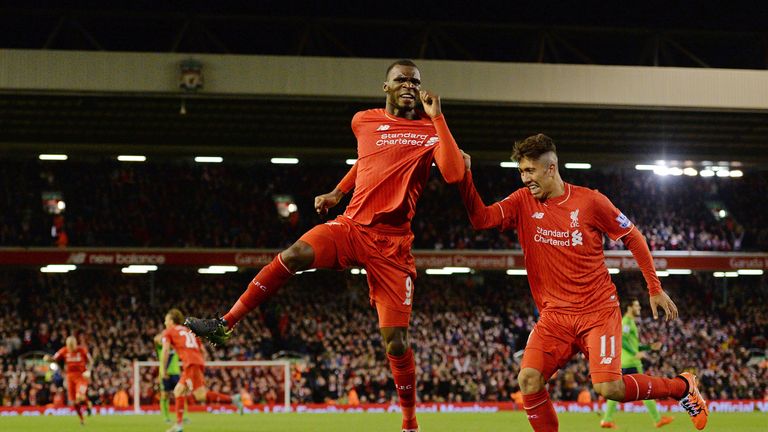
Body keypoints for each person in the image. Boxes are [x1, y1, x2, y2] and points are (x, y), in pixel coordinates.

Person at [186, 58, 466, 432]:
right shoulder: (363, 121)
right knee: (294, 254)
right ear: (386, 87)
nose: (409, 86)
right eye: (401, 79)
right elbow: (368, 160)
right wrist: (338, 191)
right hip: (351, 227)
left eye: (415, 81)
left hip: (393, 246)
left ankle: (410, 422)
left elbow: (452, 173)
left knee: (396, 343)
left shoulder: (429, 132)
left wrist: (439, 119)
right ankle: (225, 323)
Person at [456, 134, 709, 431]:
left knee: (610, 389)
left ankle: (681, 387)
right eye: (522, 171)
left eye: (530, 170)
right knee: (528, 379)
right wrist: (465, 178)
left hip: (597, 312)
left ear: (551, 168)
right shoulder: (521, 201)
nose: (525, 179)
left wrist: (654, 288)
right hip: (554, 317)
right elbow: (481, 219)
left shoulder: (590, 201)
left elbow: (633, 236)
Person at [161, 309, 243, 432]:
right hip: (197, 362)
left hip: (190, 363)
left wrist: (163, 369)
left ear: (172, 321)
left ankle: (232, 399)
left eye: (166, 320)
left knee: (197, 395)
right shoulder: (189, 331)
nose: (165, 322)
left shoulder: (169, 331)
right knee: (181, 392)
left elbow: (165, 350)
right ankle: (178, 425)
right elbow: (203, 351)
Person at [601, 298, 674, 428]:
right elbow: (621, 340)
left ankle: (607, 419)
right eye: (636, 306)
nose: (639, 308)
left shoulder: (629, 322)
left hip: (625, 362)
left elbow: (633, 345)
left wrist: (649, 347)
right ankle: (657, 419)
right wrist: (634, 354)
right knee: (646, 389)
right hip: (631, 363)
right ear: (629, 308)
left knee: (617, 389)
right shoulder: (627, 322)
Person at [45, 336, 93, 425]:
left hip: (81, 377)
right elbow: (54, 359)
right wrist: (49, 359)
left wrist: (88, 370)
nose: (71, 348)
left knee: (80, 397)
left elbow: (90, 361)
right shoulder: (64, 350)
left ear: (75, 344)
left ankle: (87, 404)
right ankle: (82, 419)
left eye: (72, 346)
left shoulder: (82, 350)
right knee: (74, 402)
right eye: (69, 346)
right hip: (70, 378)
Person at [154, 332, 183, 423]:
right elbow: (156, 339)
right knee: (165, 395)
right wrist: (165, 334)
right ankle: (166, 417)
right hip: (164, 374)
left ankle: (183, 416)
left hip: (176, 373)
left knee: (180, 394)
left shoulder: (176, 348)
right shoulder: (161, 348)